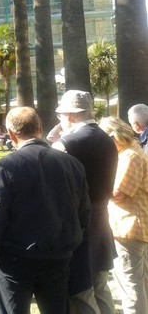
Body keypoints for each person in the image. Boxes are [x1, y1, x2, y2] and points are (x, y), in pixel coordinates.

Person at [0, 107, 91, 314]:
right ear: (40, 129)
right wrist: (71, 242)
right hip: (57, 256)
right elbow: (84, 212)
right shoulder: (72, 164)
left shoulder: (5, 167)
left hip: (15, 259)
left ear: (11, 135)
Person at [52, 90, 118, 314]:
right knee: (101, 286)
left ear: (70, 116)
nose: (59, 120)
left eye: (61, 115)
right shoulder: (107, 139)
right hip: (101, 221)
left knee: (81, 292)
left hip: (79, 226)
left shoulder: (67, 144)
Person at [99, 116, 148, 314]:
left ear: (113, 136)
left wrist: (94, 187)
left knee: (131, 286)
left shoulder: (130, 156)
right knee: (138, 282)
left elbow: (118, 194)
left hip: (129, 228)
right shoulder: (131, 152)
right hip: (132, 225)